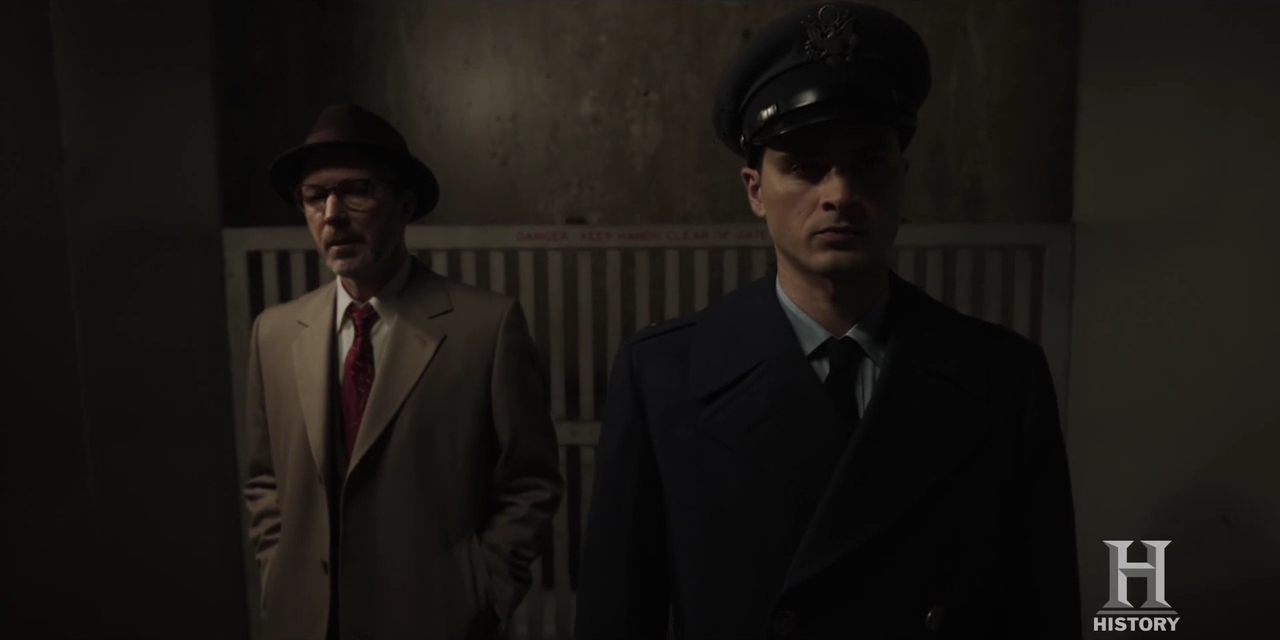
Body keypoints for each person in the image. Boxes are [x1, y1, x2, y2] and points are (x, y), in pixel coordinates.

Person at [574, 4, 1081, 639]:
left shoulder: (1002, 377)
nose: (839, 194)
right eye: (805, 167)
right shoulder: (664, 377)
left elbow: (1042, 612)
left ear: (902, 179)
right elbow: (618, 616)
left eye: (867, 163)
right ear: (755, 190)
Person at [243, 103, 563, 640]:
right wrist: (280, 573)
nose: (332, 214)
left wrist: (480, 590)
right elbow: (264, 479)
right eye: (315, 196)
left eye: (357, 191)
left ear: (405, 206)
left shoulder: (485, 328)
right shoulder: (272, 334)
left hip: (433, 619)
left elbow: (531, 480)